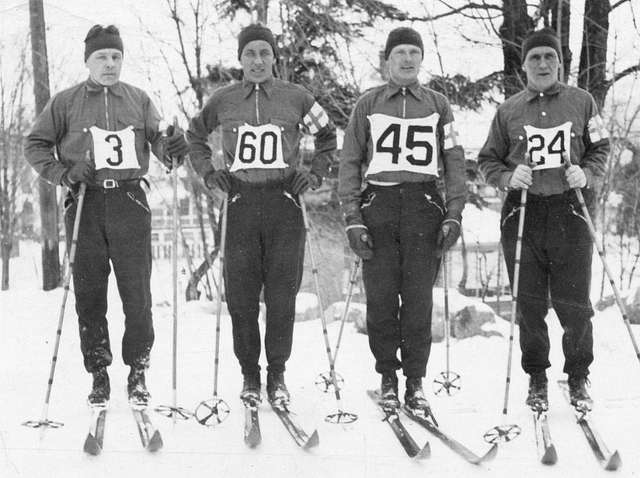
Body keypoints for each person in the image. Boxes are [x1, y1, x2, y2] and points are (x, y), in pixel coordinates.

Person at [25, 25, 189, 407]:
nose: (110, 63)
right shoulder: (65, 103)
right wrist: (63, 174)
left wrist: (172, 147)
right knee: (90, 293)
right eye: (102, 57)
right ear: (88, 61)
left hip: (129, 202)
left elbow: (162, 145)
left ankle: (138, 371)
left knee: (137, 293)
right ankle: (99, 373)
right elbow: (35, 145)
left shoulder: (139, 99)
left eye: (116, 56)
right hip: (85, 202)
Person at [186, 24, 336, 405]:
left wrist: (314, 173)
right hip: (240, 202)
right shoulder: (224, 99)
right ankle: (249, 375)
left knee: (282, 295)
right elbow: (195, 135)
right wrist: (209, 173)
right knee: (241, 296)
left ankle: (278, 375)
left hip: (283, 201)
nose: (257, 60)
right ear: (240, 58)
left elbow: (328, 135)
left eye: (264, 53)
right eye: (250, 53)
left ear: (274, 57)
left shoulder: (296, 97)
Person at [478, 28, 609, 411]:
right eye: (534, 58)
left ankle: (579, 375)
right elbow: (487, 159)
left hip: (570, 209)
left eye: (549, 57)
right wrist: (507, 176)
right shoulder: (509, 110)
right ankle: (537, 376)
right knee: (529, 304)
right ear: (523, 65)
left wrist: (586, 174)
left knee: (574, 302)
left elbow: (600, 148)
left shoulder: (582, 103)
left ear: (559, 63)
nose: (542, 64)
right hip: (524, 213)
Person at [338, 27, 466, 411]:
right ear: (387, 60)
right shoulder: (368, 103)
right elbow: (350, 161)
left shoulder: (439, 105)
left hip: (422, 204)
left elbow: (454, 161)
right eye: (400, 53)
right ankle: (387, 376)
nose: (407, 59)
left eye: (413, 52)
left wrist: (454, 214)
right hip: (378, 201)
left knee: (417, 300)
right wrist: (353, 217)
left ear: (421, 59)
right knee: (380, 299)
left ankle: (415, 380)